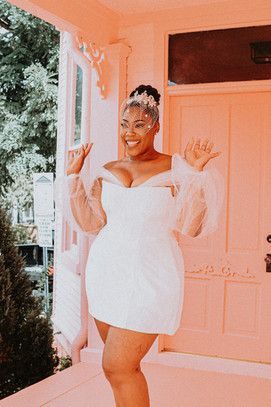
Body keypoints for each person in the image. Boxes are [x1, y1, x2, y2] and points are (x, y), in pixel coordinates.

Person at [55, 84, 225, 406]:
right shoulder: (108, 171)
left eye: (139, 125)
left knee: (117, 365)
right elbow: (92, 223)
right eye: (124, 124)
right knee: (122, 371)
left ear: (155, 126)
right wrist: (73, 179)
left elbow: (191, 225)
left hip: (150, 278)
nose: (129, 133)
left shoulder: (177, 168)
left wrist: (195, 176)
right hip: (106, 277)